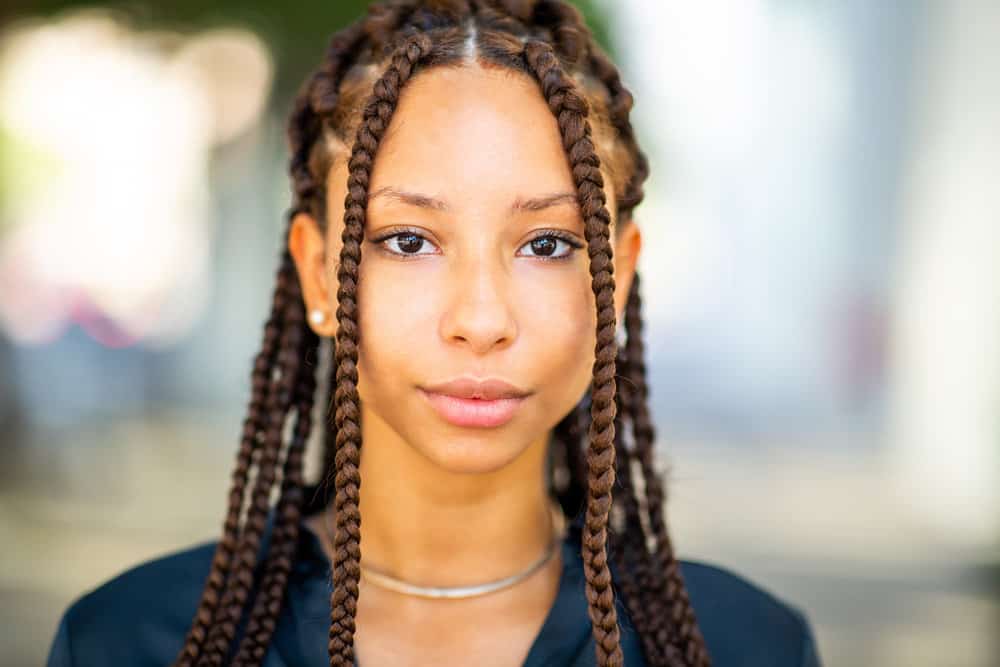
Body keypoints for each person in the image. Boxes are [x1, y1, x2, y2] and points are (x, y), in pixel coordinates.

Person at [45, 1, 823, 665]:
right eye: (409, 240)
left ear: (614, 278)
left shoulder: (743, 643)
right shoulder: (133, 639)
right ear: (320, 276)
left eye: (547, 244)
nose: (481, 321)